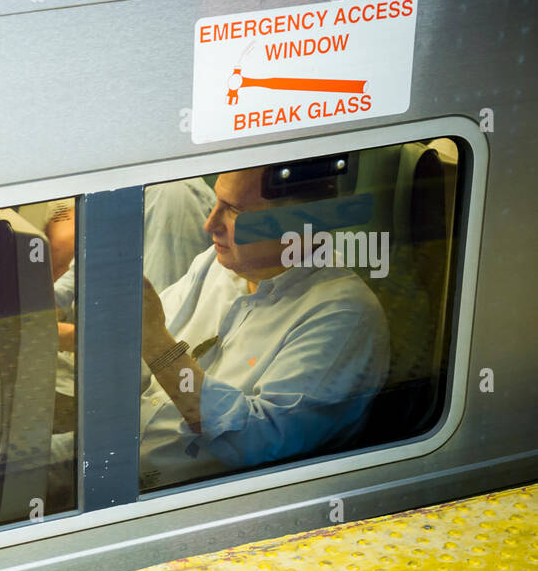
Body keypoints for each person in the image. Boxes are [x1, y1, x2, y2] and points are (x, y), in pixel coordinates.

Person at [139, 165, 390, 490]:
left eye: (234, 211)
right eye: (217, 203)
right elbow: (139, 353)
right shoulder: (216, 265)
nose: (210, 224)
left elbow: (256, 442)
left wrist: (159, 345)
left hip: (192, 496)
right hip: (130, 451)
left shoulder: (344, 314)